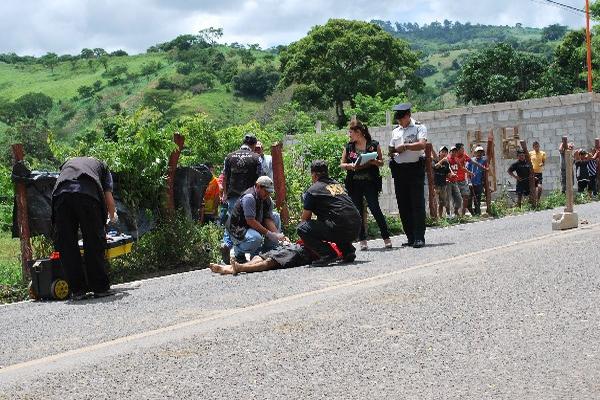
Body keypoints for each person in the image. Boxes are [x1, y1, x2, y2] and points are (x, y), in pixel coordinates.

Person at [51, 157, 117, 300]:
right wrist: (109, 221)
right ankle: (100, 288)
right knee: (93, 241)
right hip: (87, 194)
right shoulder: (103, 166)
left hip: (61, 196)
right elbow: (109, 200)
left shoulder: (67, 165)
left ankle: (78, 290)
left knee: (67, 244)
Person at [297, 160, 361, 267]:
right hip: (356, 227)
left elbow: (305, 218)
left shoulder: (313, 190)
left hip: (340, 228)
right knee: (333, 220)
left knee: (302, 228)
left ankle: (328, 254)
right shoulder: (337, 185)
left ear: (314, 174)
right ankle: (348, 251)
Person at [341, 120, 391, 250]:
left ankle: (386, 237)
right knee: (358, 212)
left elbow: (381, 162)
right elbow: (342, 164)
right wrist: (350, 166)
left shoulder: (373, 145)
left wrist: (373, 161)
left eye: (351, 132)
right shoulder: (348, 147)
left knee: (375, 208)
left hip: (370, 182)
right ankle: (362, 240)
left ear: (358, 132)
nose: (349, 135)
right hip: (354, 183)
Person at [388, 103, 427, 248]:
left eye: (400, 118)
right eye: (397, 119)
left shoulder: (419, 127)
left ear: (408, 115)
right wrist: (392, 151)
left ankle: (419, 237)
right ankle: (410, 236)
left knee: (417, 204)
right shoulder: (396, 131)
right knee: (403, 204)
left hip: (415, 169)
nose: (398, 121)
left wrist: (405, 146)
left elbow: (422, 144)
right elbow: (392, 148)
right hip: (399, 170)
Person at [221, 134, 263, 263]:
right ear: (254, 145)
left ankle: (226, 244)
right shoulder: (256, 158)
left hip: (233, 195)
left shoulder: (229, 157)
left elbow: (225, 176)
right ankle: (254, 253)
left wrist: (224, 193)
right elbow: (260, 178)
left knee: (232, 221)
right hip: (250, 197)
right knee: (253, 221)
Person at [225, 176, 285, 263]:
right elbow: (251, 221)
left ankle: (268, 250)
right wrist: (269, 234)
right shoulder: (249, 197)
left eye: (269, 192)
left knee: (275, 216)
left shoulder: (267, 199)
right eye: (266, 191)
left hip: (252, 227)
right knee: (256, 238)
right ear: (258, 186)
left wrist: (277, 235)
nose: (268, 194)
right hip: (238, 229)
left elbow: (267, 219)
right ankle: (237, 252)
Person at [208, 241, 341, 275]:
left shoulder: (334, 246)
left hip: (304, 253)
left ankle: (240, 267)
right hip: (294, 246)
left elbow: (335, 256)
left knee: (271, 262)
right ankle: (229, 268)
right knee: (262, 256)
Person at [447, 143, 486, 216]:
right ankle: (455, 213)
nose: (464, 150)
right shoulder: (451, 158)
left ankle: (463, 214)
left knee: (466, 196)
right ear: (457, 150)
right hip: (454, 181)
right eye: (462, 148)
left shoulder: (464, 155)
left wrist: (483, 168)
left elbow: (470, 163)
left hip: (463, 180)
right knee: (457, 198)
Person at [433, 146, 453, 218]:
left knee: (442, 202)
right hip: (435, 185)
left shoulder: (447, 163)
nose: (444, 153)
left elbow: (447, 173)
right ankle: (435, 218)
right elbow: (435, 167)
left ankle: (440, 217)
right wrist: (442, 161)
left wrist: (451, 175)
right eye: (443, 152)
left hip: (443, 185)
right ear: (439, 153)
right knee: (434, 202)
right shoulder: (435, 159)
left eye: (445, 152)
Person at [467, 146, 487, 216]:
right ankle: (473, 213)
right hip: (470, 184)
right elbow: (466, 172)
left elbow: (485, 172)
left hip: (479, 184)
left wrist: (484, 183)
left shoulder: (484, 161)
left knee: (477, 201)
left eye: (481, 152)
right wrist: (469, 182)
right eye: (478, 152)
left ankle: (477, 214)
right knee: (468, 201)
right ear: (474, 153)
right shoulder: (471, 160)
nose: (479, 154)